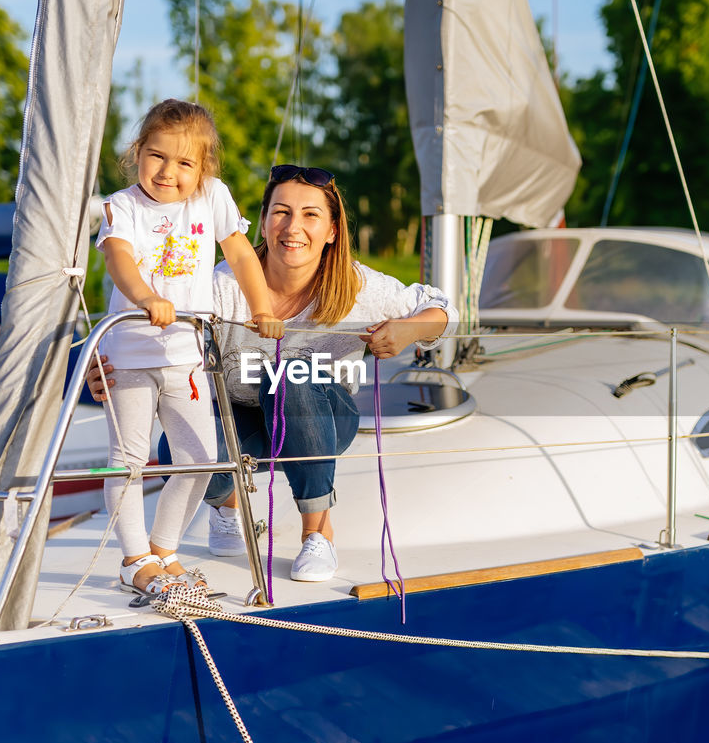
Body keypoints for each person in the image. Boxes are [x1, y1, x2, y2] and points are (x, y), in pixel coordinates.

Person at [89, 164, 455, 582]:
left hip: (320, 418)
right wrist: (107, 364)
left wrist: (409, 331)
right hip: (240, 418)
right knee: (179, 454)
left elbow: (443, 308)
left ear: (333, 230)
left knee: (291, 372)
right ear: (262, 222)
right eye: (280, 212)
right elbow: (158, 331)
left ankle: (318, 533)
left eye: (311, 215)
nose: (292, 226)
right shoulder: (221, 287)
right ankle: (227, 507)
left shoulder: (357, 287)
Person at [96, 99, 282, 597]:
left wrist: (262, 307)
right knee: (128, 459)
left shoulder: (212, 197)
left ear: (203, 168)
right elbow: (119, 258)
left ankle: (164, 549)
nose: (168, 172)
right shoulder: (122, 205)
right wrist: (146, 298)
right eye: (157, 156)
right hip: (131, 354)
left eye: (184, 163)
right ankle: (134, 560)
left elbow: (241, 254)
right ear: (138, 152)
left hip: (187, 356)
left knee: (199, 459)